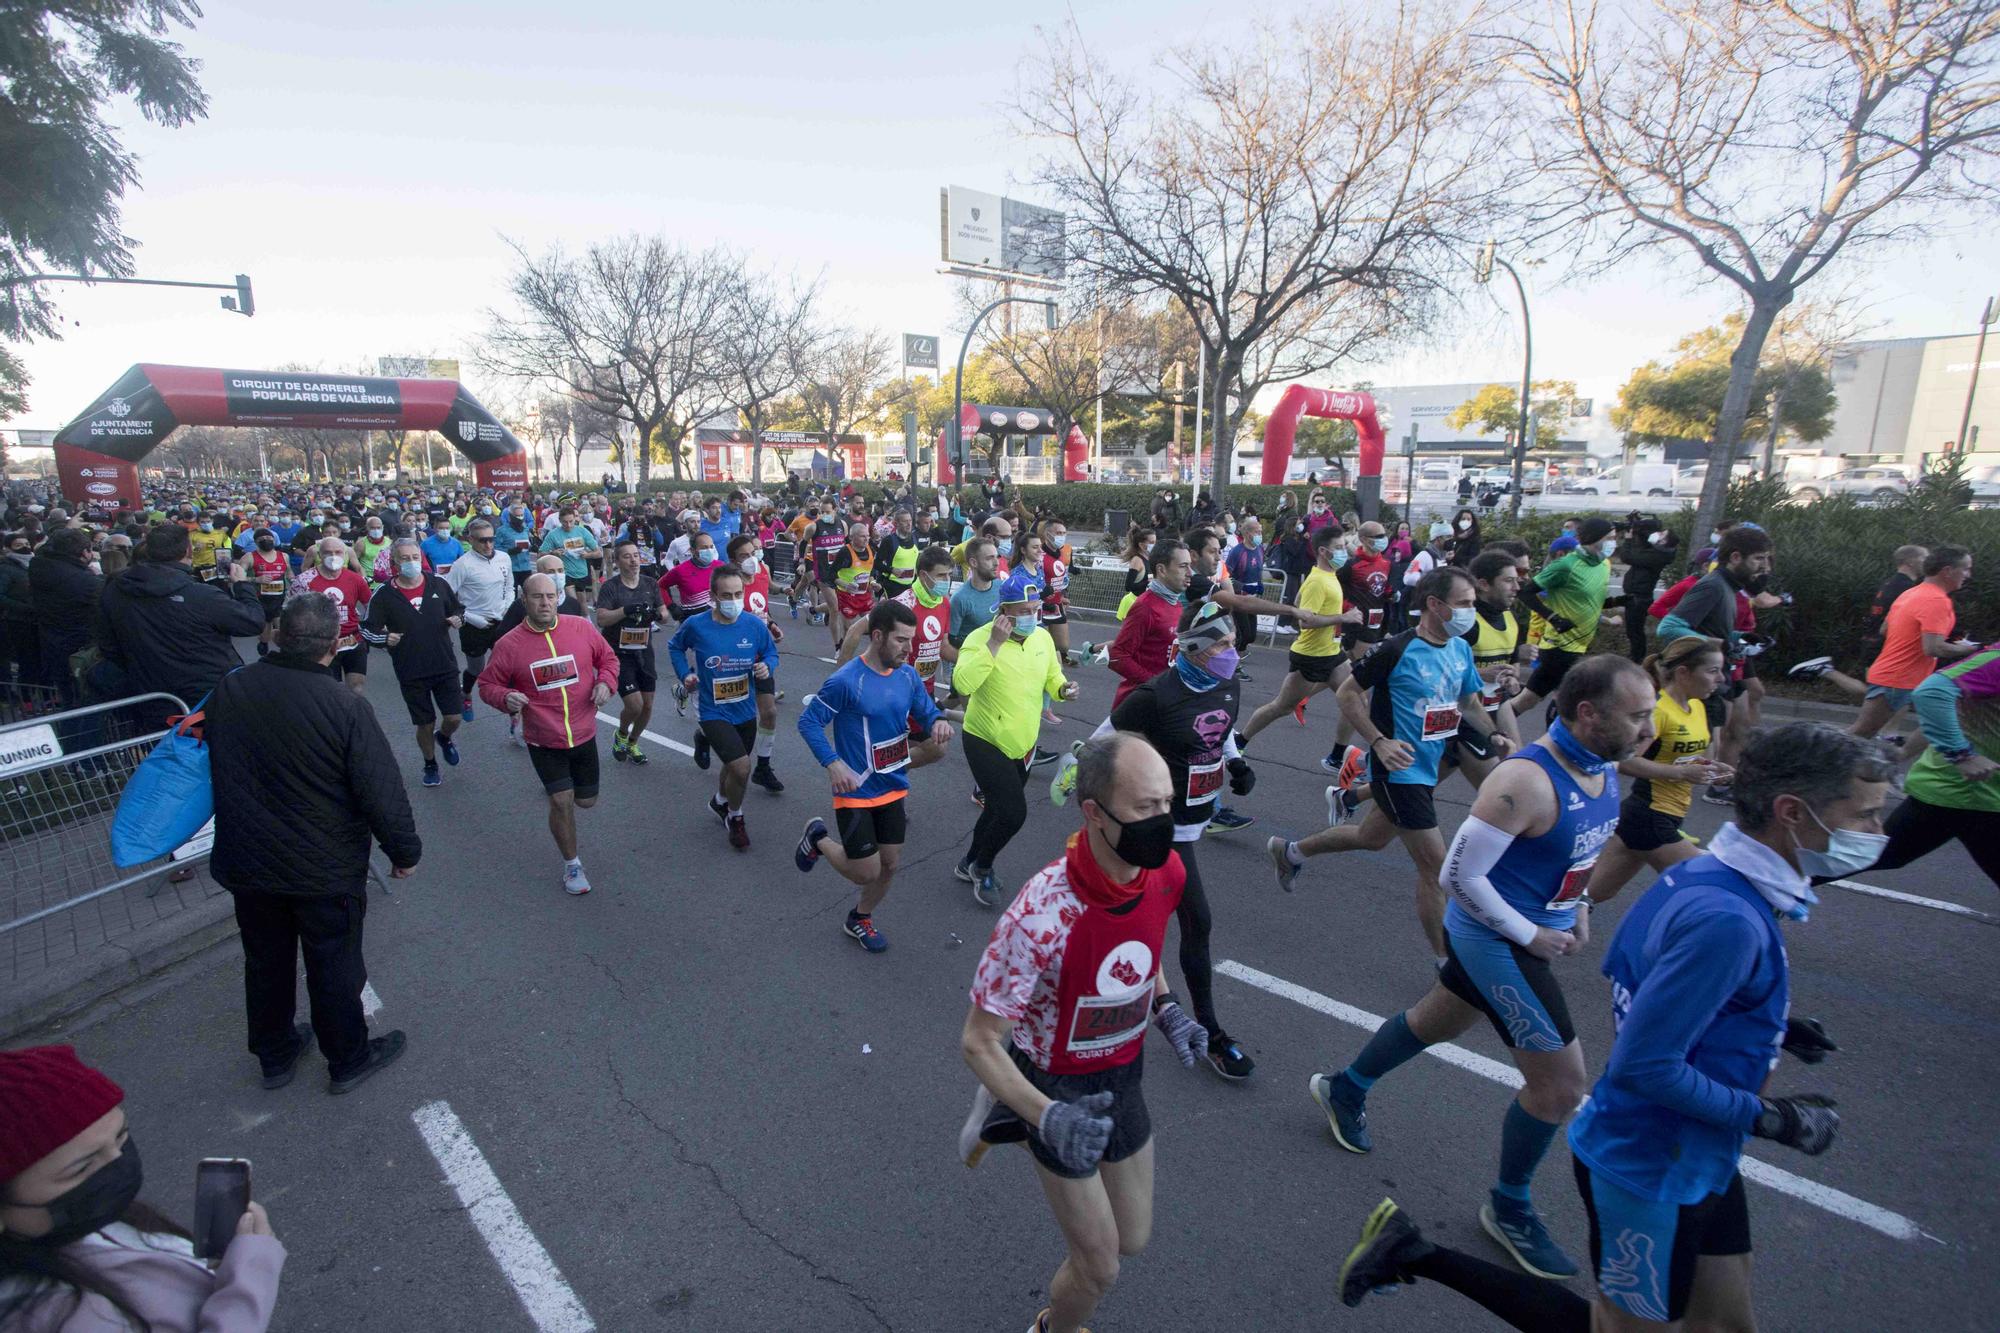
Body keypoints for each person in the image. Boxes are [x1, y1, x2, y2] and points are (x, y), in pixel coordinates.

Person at [1335, 723, 1884, 1332]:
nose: (1877, 834)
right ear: (1792, 812)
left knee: (1728, 1327)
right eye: (1865, 817)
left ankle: (1356, 1094)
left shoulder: (1705, 874)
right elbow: (1646, 1067)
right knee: (1560, 1099)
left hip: (1704, 1149)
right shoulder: (1725, 913)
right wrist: (1775, 1119)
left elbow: (1639, 972)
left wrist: (1765, 1026)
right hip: (1648, 1161)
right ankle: (1422, 1249)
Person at [1310, 656, 1652, 1281]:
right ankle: (1509, 1205)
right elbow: (1456, 876)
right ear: (1588, 713)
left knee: (1435, 1021)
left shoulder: (1601, 768)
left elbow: (1576, 853)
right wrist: (1531, 933)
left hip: (1533, 929)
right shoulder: (1524, 782)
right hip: (1496, 937)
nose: (1649, 728)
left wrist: (1576, 908)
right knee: (1562, 1089)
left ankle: (1346, 1086)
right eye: (1638, 716)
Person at [957, 732, 1205, 1333]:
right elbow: (979, 1040)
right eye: (1146, 808)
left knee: (1134, 1238)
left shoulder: (1165, 872)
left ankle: (1007, 1115)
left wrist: (1168, 1009)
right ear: (1094, 813)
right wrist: (1048, 1117)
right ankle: (1053, 1328)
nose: (1164, 821)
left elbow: (1140, 949)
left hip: (1124, 1075)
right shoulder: (1040, 913)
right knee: (1099, 1270)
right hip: (1057, 1091)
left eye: (1167, 803)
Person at [208, 594, 419, 1093]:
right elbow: (380, 788)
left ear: (279, 636)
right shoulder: (344, 704)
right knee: (333, 963)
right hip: (322, 866)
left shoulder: (231, 688)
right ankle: (347, 1057)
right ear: (334, 645)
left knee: (265, 961)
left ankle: (275, 1053)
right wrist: (403, 852)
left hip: (248, 859)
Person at [1267, 567, 1512, 958]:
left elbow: (1468, 704)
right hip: (1398, 770)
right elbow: (1347, 694)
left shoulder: (1459, 649)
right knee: (1436, 868)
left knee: (1372, 838)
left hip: (1428, 764)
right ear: (1436, 605)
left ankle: (1290, 851)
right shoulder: (1396, 648)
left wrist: (1495, 735)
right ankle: (1446, 964)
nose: (1471, 611)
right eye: (1464, 603)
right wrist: (1378, 742)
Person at [0, 1046, 286, 1327]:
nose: (118, 1163)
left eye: (120, 1136)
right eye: (82, 1167)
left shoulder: (68, 1228)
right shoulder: (57, 1316)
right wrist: (248, 1282)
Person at [1101, 602, 1259, 1079]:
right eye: (1224, 644)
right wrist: (1086, 786)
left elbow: (1222, 727)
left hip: (1196, 814)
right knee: (1195, 920)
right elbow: (1105, 740)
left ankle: (1136, 995)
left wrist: (1235, 762)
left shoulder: (1226, 682)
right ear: (1193, 648)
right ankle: (1208, 1030)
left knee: (1151, 922)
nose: (1234, 653)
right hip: (1159, 825)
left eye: (1234, 643)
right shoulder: (1156, 695)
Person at [795, 600, 953, 951]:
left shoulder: (907, 675)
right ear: (877, 636)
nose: (908, 649)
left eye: (911, 641)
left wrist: (937, 722)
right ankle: (817, 838)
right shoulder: (846, 680)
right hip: (856, 787)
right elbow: (808, 722)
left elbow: (925, 711)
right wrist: (833, 763)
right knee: (866, 870)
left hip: (892, 784)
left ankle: (860, 918)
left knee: (890, 865)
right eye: (901, 640)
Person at [477, 573, 619, 895]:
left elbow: (608, 659)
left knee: (586, 801)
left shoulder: (581, 628)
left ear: (558, 598)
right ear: (523, 601)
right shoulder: (509, 644)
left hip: (583, 732)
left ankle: (565, 800)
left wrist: (605, 683)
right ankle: (572, 865)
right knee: (561, 800)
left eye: (550, 596)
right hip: (544, 738)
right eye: (537, 597)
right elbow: (487, 685)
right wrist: (505, 698)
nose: (545, 603)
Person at [953, 569, 1079, 906]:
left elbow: (1052, 676)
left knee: (996, 808)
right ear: (1003, 611)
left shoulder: (1042, 638)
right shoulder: (980, 638)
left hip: (1023, 743)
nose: (1030, 617)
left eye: (1034, 609)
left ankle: (967, 862)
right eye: (1022, 611)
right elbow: (962, 684)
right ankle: (983, 866)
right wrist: (994, 644)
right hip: (984, 738)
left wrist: (1064, 689)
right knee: (1013, 813)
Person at [1585, 636, 1733, 903]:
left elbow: (1685, 756)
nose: (1721, 678)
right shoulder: (1659, 710)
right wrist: (1680, 774)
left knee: (1590, 895)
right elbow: (1625, 761)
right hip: (1650, 815)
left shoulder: (1697, 705)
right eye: (1712, 671)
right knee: (1704, 889)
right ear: (1683, 672)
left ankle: (1535, 925)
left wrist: (1711, 767)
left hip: (1664, 813)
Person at [1867, 639, 2000, 885]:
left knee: (1883, 855)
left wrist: (1903, 753)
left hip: (1981, 796)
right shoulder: (1995, 660)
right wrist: (1961, 755)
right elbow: (1932, 692)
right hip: (1967, 793)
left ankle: (1781, 887)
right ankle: (1778, 886)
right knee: (1879, 855)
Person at [95, 525, 266, 716]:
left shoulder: (114, 588)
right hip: (204, 698)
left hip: (152, 693)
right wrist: (242, 585)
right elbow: (253, 621)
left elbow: (109, 644)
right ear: (188, 551)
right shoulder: (201, 595)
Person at [667, 564, 779, 850]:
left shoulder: (753, 625)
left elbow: (770, 652)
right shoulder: (697, 625)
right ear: (713, 597)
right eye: (726, 596)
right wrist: (685, 675)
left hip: (743, 708)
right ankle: (735, 816)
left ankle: (719, 801)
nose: (733, 601)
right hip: (711, 709)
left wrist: (767, 666)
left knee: (733, 765)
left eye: (738, 594)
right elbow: (675, 647)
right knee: (742, 768)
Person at [1849, 546, 1979, 769]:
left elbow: (1885, 629)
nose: (1968, 575)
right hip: (1897, 677)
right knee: (1861, 733)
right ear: (1948, 570)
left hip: (1903, 674)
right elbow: (1933, 648)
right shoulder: (1936, 601)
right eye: (1965, 569)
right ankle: (1814, 768)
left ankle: (1890, 764)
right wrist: (1974, 650)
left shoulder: (1911, 592)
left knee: (1947, 716)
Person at [1237, 524, 1359, 752]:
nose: (1345, 552)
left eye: (1344, 546)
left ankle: (1338, 756)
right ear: (1323, 551)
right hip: (1310, 656)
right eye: (1339, 547)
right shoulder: (1317, 581)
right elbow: (1306, 621)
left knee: (1357, 702)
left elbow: (1300, 603)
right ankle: (1240, 740)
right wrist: (1344, 617)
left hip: (1332, 653)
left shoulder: (1329, 574)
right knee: (1282, 707)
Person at [360, 538, 467, 788]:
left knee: (454, 717)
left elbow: (459, 609)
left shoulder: (438, 583)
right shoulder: (385, 594)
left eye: (415, 557)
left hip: (444, 664)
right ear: (395, 562)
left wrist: (457, 619)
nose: (411, 562)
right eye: (405, 558)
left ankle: (445, 737)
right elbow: (366, 629)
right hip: (411, 669)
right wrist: (386, 638)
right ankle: (430, 763)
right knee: (425, 723)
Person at [1510, 516, 1619, 716]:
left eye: (1615, 538)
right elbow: (1525, 592)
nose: (1614, 543)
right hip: (1559, 646)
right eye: (1610, 538)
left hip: (1583, 644)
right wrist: (1552, 617)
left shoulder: (1605, 565)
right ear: (1595, 538)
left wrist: (1611, 613)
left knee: (1538, 699)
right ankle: (1490, 727)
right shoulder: (1567, 565)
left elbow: (1590, 602)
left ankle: (1493, 722)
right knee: (1552, 701)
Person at [594, 538, 666, 764]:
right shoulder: (611, 587)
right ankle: (621, 733)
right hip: (618, 652)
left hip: (644, 651)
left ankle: (633, 742)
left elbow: (664, 612)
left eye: (636, 555)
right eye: (627, 556)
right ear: (617, 561)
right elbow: (602, 618)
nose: (634, 560)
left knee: (648, 706)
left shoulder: (649, 583)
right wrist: (625, 610)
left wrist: (659, 615)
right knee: (634, 705)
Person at [444, 517, 513, 723]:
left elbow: (509, 587)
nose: (488, 544)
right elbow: (449, 599)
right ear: (471, 540)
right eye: (482, 540)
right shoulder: (462, 565)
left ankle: (515, 714)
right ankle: (465, 695)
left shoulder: (504, 558)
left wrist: (507, 607)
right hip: (474, 626)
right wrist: (471, 618)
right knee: (476, 668)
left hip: (501, 623)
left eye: (491, 539)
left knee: (510, 667)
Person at [1107, 539, 1189, 709]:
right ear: (1162, 570)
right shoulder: (1146, 607)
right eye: (1183, 566)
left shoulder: (1177, 603)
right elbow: (1117, 656)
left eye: (1190, 566)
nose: (1190, 572)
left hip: (1165, 701)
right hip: (1139, 705)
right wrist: (1155, 683)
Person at [27, 528, 100, 704]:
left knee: (69, 696)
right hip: (79, 646)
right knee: (83, 701)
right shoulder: (82, 580)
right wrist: (96, 578)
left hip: (52, 641)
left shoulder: (39, 566)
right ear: (85, 552)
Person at [291, 536, 372, 695]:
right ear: (319, 556)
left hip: (352, 639)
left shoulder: (356, 579)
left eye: (338, 552)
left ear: (345, 555)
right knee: (331, 689)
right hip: (322, 643)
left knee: (356, 687)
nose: (333, 556)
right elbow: (291, 612)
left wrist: (371, 630)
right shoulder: (304, 581)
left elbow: (370, 606)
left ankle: (350, 718)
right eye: (328, 553)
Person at [1618, 519, 1677, 664]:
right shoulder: (1656, 551)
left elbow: (1628, 557)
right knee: (1634, 631)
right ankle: (1637, 657)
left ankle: (1637, 659)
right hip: (1636, 596)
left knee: (1635, 632)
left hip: (1639, 598)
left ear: (1664, 542)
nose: (1658, 534)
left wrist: (1628, 540)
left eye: (1662, 534)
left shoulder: (1657, 556)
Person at [539, 505, 601, 605]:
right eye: (565, 522)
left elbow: (598, 553)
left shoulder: (582, 531)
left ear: (575, 518)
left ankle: (584, 618)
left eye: (571, 521)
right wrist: (553, 553)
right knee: (573, 602)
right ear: (559, 520)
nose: (568, 525)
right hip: (564, 573)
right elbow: (541, 554)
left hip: (581, 572)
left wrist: (587, 555)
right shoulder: (553, 534)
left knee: (583, 606)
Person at [247, 527, 291, 658]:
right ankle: (264, 643)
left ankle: (286, 651)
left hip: (280, 597)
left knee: (282, 625)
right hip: (261, 597)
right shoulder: (250, 557)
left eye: (269, 538)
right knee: (266, 626)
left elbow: (289, 572)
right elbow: (238, 577)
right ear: (256, 542)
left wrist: (294, 580)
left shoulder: (283, 556)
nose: (266, 540)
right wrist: (256, 579)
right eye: (262, 539)